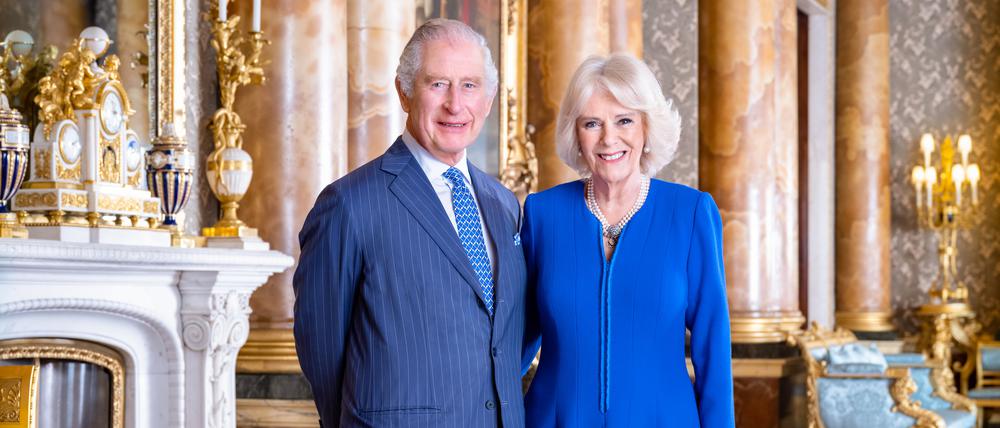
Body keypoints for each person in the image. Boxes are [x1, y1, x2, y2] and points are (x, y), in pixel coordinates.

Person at [293, 19, 527, 428]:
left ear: (488, 100)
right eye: (437, 84)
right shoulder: (349, 204)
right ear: (404, 92)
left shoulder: (503, 203)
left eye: (470, 85)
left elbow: (503, 337)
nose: (456, 104)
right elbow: (321, 349)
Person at [520, 53, 735, 427]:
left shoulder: (690, 213)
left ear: (646, 127)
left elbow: (713, 350)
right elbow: (514, 343)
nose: (609, 138)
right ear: (576, 133)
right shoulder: (542, 215)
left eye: (624, 120)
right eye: (592, 123)